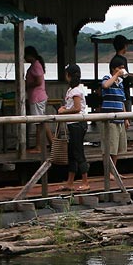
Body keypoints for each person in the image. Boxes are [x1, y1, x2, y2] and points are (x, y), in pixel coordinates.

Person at [54, 64, 90, 192]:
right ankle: (70, 182)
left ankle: (85, 181)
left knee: (78, 152)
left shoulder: (76, 91)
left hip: (77, 124)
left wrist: (63, 112)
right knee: (72, 153)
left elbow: (77, 108)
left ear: (69, 75)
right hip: (73, 124)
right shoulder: (73, 89)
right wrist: (65, 108)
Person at [100, 56, 129, 185]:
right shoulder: (107, 78)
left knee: (117, 148)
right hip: (109, 119)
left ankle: (114, 171)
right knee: (109, 147)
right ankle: (108, 172)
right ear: (113, 68)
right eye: (120, 68)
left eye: (123, 68)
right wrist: (116, 74)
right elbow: (105, 86)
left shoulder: (121, 83)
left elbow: (122, 101)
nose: (122, 70)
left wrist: (126, 117)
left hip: (119, 118)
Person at [24, 45, 51, 153]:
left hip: (37, 97)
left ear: (30, 55)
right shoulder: (35, 65)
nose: (24, 58)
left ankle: (39, 147)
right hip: (36, 97)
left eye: (25, 55)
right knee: (42, 122)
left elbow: (39, 81)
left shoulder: (36, 66)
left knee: (40, 122)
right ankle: (52, 143)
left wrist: (27, 84)